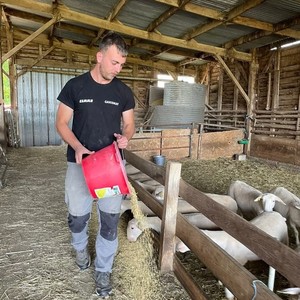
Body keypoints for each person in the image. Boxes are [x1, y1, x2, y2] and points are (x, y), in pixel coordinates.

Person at [55, 31, 135, 298]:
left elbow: (129, 124)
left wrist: (126, 137)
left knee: (110, 222)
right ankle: (79, 248)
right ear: (100, 56)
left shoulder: (123, 91)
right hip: (80, 164)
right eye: (114, 62)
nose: (118, 68)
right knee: (77, 219)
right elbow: (61, 123)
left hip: (110, 167)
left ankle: (103, 270)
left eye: (122, 64)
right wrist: (78, 146)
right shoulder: (75, 87)